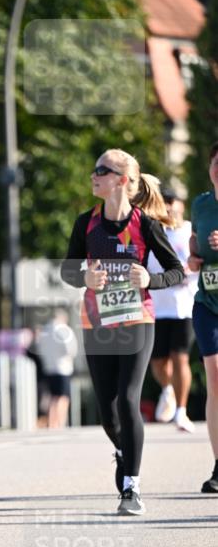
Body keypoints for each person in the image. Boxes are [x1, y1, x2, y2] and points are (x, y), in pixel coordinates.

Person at [60, 149, 184, 515]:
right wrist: (84, 277)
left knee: (129, 400)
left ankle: (132, 487)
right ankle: (123, 449)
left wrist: (151, 278)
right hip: (97, 323)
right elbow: (67, 270)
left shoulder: (145, 225)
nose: (93, 175)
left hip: (136, 320)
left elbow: (176, 271)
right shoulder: (86, 223)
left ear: (122, 181)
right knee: (107, 413)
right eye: (94, 168)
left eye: (102, 170)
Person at [147, 189, 198, 431]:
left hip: (184, 306)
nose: (168, 207)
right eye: (163, 203)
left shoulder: (189, 230)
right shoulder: (154, 231)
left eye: (171, 202)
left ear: (181, 204)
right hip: (157, 306)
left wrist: (189, 271)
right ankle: (168, 390)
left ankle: (181, 411)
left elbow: (199, 260)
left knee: (180, 358)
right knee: (157, 362)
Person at [188, 141, 218, 494]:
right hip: (207, 302)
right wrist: (195, 258)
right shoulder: (200, 204)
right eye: (215, 163)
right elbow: (195, 247)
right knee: (214, 376)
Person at [35, 309, 78, 429]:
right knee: (62, 397)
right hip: (63, 367)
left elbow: (39, 348)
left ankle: (52, 421)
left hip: (49, 367)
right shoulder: (63, 330)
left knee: (53, 396)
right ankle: (59, 422)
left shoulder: (45, 331)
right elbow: (71, 349)